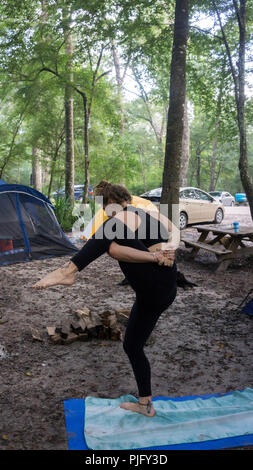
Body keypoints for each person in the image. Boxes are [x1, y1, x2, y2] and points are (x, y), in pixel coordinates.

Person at [32, 181, 179, 418]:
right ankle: (145, 404)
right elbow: (117, 250)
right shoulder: (133, 218)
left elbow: (168, 232)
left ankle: (69, 270)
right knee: (131, 345)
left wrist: (164, 252)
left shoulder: (128, 216)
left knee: (112, 231)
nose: (105, 213)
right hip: (154, 293)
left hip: (157, 285)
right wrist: (158, 254)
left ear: (112, 203)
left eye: (106, 207)